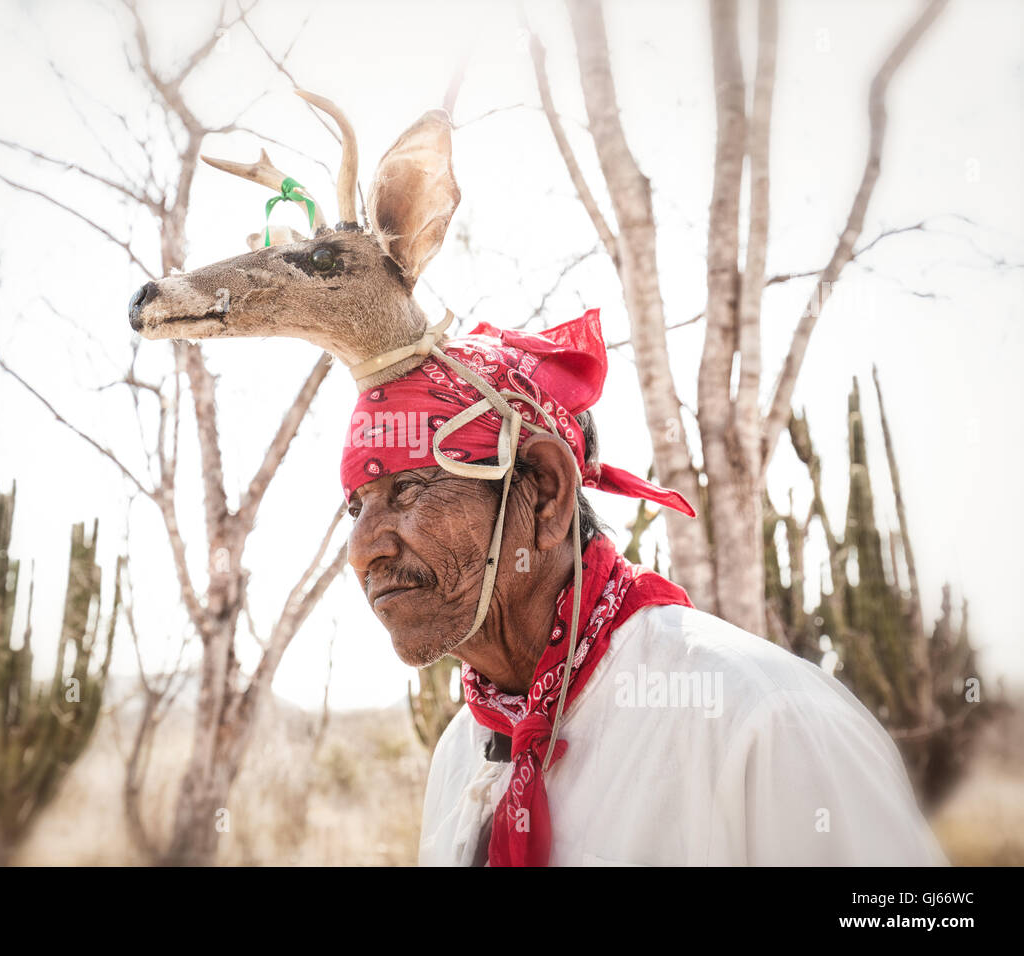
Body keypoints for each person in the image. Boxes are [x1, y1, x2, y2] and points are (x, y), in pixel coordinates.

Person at [341, 308, 946, 867]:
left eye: (409, 491)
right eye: (355, 507)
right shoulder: (461, 751)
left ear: (547, 495)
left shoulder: (763, 720)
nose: (363, 549)